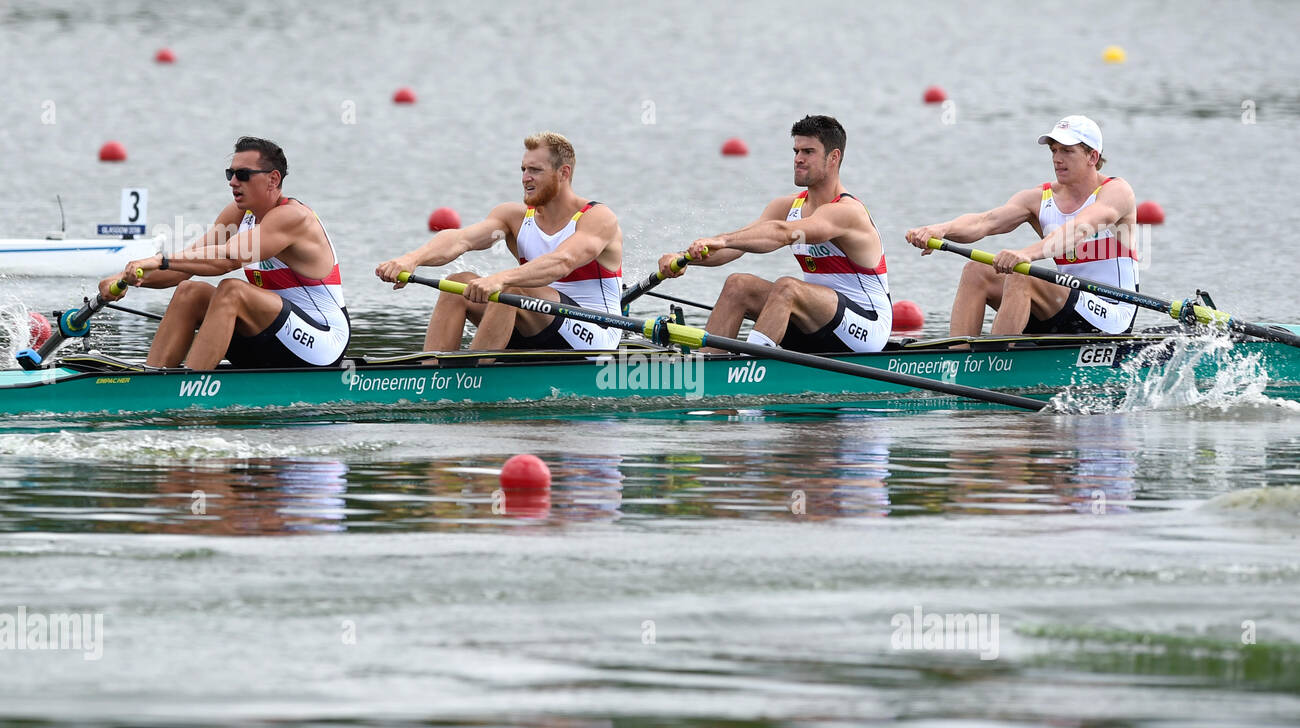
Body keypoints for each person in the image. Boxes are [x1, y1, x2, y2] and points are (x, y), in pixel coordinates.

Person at [101, 136, 349, 369]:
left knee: (232, 289)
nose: (233, 182)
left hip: (323, 341)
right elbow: (179, 272)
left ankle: (189, 388)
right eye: (230, 174)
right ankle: (152, 379)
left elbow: (228, 260)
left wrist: (159, 260)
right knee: (190, 291)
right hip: (275, 335)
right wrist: (125, 277)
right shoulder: (239, 213)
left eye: (243, 174)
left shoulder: (293, 217)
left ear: (273, 179)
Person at [658, 114, 891, 354]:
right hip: (816, 321)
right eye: (796, 151)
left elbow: (783, 234)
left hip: (867, 327)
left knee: (788, 287)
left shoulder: (847, 212)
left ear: (834, 157)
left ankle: (749, 368)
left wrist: (723, 238)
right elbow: (735, 247)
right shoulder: (787, 206)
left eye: (808, 152)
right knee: (738, 284)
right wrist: (683, 257)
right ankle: (707, 369)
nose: (798, 159)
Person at [375, 132, 623, 353]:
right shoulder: (513, 217)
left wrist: (501, 279)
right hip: (535, 321)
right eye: (523, 169)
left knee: (511, 289)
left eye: (535, 170)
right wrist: (412, 259)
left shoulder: (597, 218)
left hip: (595, 333)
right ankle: (431, 378)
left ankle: (472, 380)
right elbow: (460, 240)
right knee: (456, 285)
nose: (526, 178)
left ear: (563, 173)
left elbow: (562, 262)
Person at [905, 115, 1139, 339]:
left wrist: (1025, 254)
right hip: (1066, 306)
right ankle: (955, 358)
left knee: (1022, 273)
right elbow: (984, 222)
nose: (1057, 158)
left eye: (1067, 151)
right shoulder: (1040, 197)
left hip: (1113, 313)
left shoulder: (1116, 192)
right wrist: (941, 229)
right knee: (975, 271)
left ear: (1092, 157)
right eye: (1054, 150)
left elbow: (1079, 229)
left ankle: (994, 364)